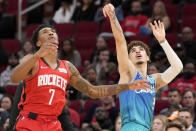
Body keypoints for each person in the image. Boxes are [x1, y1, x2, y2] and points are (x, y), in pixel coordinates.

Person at [10, 24, 150, 131]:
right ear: (38, 43)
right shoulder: (32, 60)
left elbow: (93, 91)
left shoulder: (67, 67)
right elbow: (15, 78)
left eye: (53, 32)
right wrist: (37, 55)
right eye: (45, 32)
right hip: (30, 122)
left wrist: (128, 86)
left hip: (53, 124)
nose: (51, 33)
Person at [103, 3, 183, 131]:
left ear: (148, 57)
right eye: (133, 51)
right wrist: (113, 18)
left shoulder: (154, 80)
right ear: (128, 59)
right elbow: (121, 41)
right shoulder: (127, 74)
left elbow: (178, 67)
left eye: (141, 49)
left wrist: (163, 41)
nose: (138, 51)